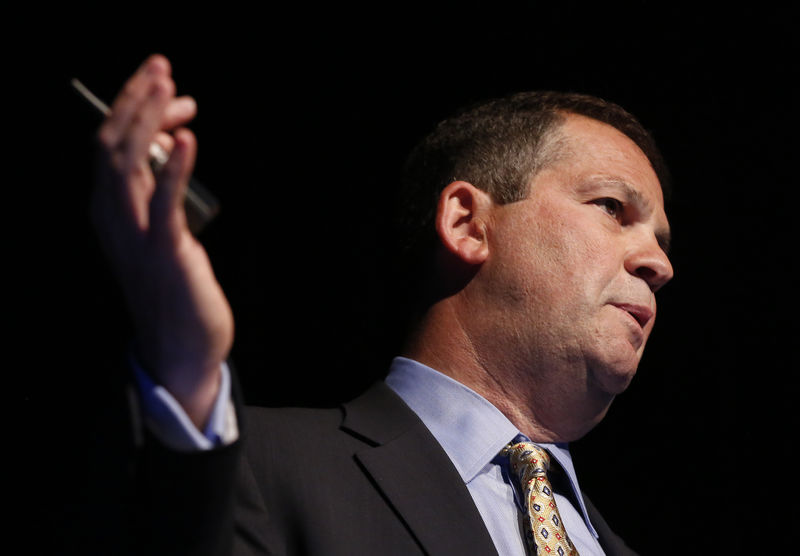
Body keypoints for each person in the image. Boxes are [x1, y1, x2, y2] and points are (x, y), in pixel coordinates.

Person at [92, 54, 672, 555]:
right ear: (467, 224)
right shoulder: (260, 466)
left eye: (662, 243)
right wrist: (185, 363)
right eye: (612, 207)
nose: (659, 264)